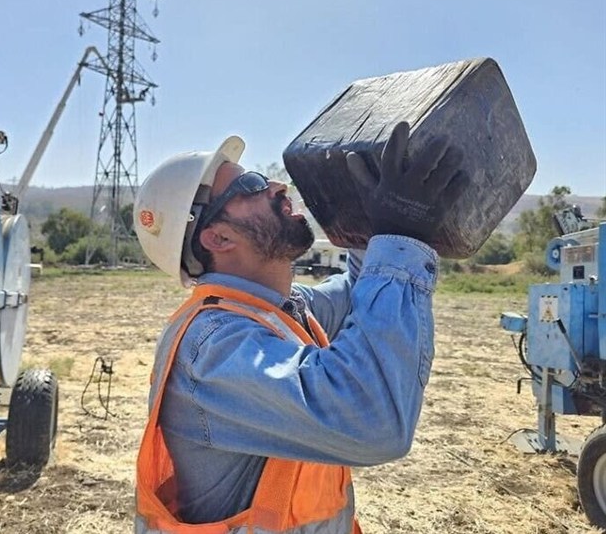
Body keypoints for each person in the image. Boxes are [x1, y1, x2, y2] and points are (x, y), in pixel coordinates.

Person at [132, 122, 468, 534]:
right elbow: (373, 419)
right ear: (218, 238)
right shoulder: (212, 349)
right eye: (251, 186)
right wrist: (401, 232)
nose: (276, 185)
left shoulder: (285, 310)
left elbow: (363, 294)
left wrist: (370, 218)